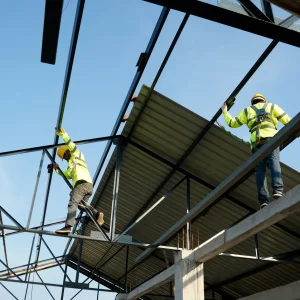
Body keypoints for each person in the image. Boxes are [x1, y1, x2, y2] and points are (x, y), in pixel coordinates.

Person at [221, 94, 291, 209]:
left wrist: (225, 111)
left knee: (260, 171)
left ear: (252, 102)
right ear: (264, 101)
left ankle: (263, 200)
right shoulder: (272, 106)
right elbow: (287, 121)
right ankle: (277, 189)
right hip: (271, 138)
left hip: (256, 143)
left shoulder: (247, 111)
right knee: (274, 163)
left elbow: (232, 123)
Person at [52, 128, 104, 234]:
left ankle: (68, 227)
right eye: (64, 157)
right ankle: (97, 214)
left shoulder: (76, 153)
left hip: (81, 184)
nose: (65, 158)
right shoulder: (70, 165)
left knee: (73, 203)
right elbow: (66, 175)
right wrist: (57, 169)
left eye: (65, 155)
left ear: (67, 151)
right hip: (88, 186)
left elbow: (70, 143)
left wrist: (63, 134)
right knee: (82, 205)